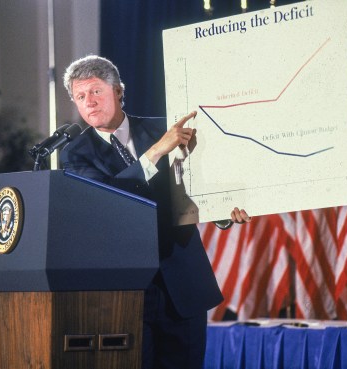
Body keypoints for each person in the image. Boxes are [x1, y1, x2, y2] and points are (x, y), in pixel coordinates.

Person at [60, 55, 250, 369]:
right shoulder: (76, 154)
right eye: (80, 97)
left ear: (119, 91)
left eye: (95, 91)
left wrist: (224, 211)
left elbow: (197, 188)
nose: (89, 102)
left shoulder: (164, 128)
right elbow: (108, 202)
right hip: (126, 294)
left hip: (183, 285)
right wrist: (157, 151)